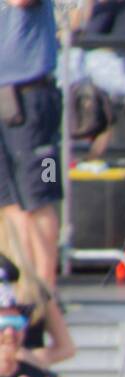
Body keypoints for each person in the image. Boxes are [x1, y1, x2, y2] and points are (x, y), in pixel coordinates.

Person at [0, 0, 63, 292]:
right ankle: (19, 289)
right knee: (7, 202)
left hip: (29, 97)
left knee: (38, 197)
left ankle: (44, 293)